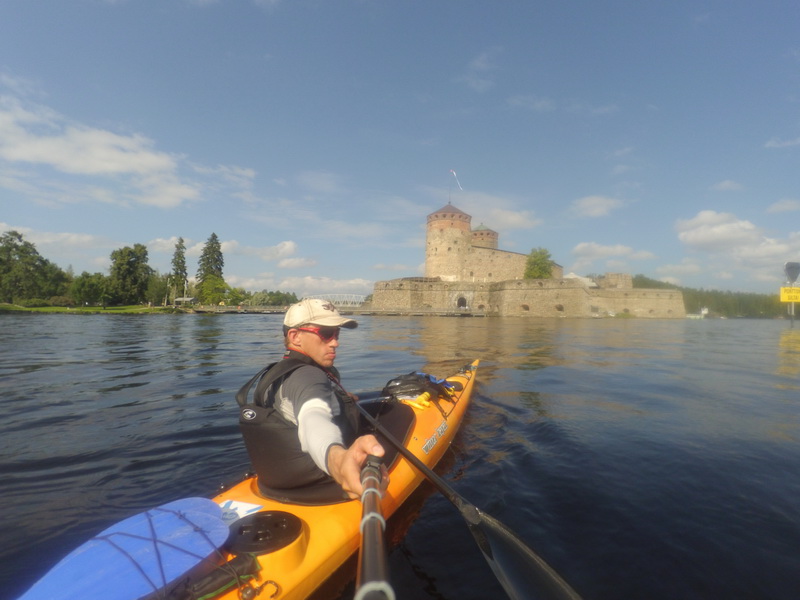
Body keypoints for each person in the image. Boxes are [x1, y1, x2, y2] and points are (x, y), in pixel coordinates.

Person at [237, 298, 385, 503]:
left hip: (278, 487)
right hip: (322, 490)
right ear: (295, 336)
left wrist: (339, 399)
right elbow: (313, 417)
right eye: (325, 334)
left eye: (337, 333)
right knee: (402, 416)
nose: (335, 342)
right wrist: (338, 460)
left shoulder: (278, 373)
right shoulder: (309, 376)